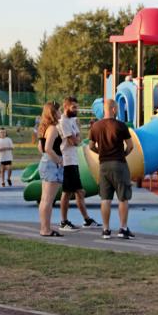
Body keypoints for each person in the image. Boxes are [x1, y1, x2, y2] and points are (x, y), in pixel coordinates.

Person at [88, 99, 135, 240]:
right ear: (114, 109)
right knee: (123, 198)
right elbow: (130, 146)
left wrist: (101, 152)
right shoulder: (120, 126)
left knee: (105, 199)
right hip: (119, 164)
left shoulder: (95, 126)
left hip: (103, 165)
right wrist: (123, 154)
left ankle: (106, 229)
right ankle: (123, 228)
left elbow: (91, 146)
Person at [58, 96, 99, 230]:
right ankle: (64, 221)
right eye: (73, 107)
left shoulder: (72, 121)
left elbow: (78, 139)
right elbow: (74, 142)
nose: (76, 109)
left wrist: (77, 136)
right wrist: (77, 137)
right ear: (66, 107)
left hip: (73, 160)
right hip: (67, 161)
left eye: (77, 107)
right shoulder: (63, 122)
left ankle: (86, 220)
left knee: (78, 192)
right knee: (69, 192)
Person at [37, 102, 65, 237]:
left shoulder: (44, 128)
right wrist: (59, 160)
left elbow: (40, 147)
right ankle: (45, 229)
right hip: (52, 164)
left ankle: (45, 227)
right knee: (48, 200)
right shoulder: (53, 129)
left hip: (45, 162)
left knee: (45, 199)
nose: (61, 113)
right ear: (53, 113)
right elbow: (48, 148)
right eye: (59, 111)